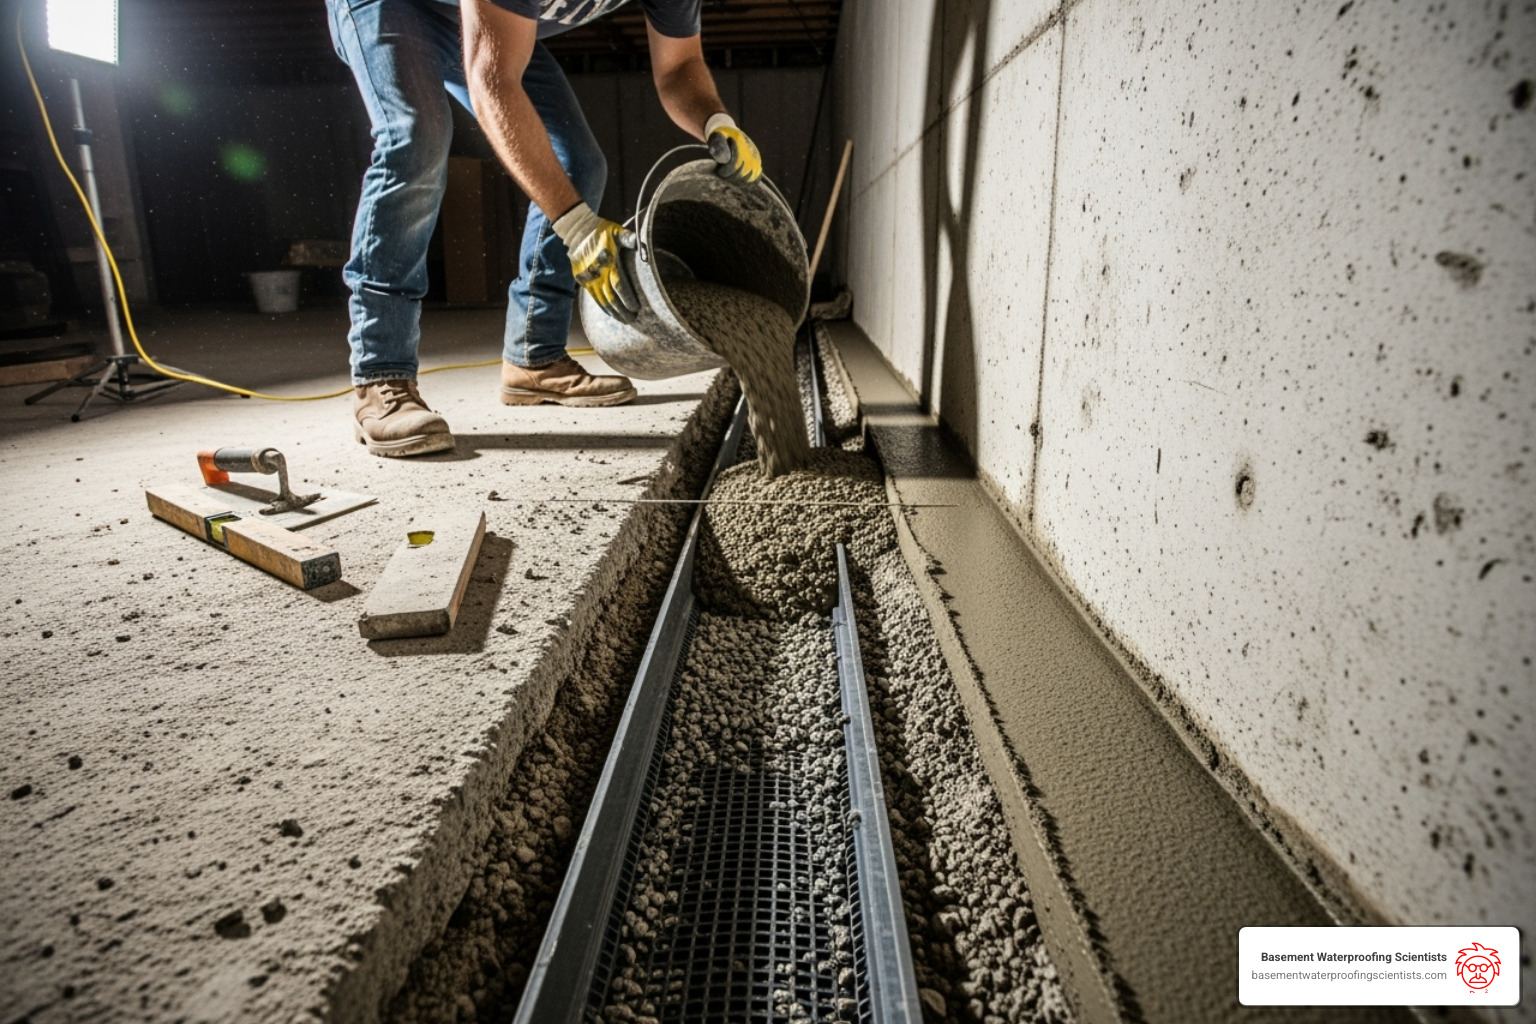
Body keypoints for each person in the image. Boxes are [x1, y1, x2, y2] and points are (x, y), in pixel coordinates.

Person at [325, 0, 763, 456]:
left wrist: (716, 120)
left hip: (476, 17)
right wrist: (575, 224)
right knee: (417, 139)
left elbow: (679, 67)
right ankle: (380, 375)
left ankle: (533, 358)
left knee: (579, 165)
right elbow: (492, 83)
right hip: (390, 6)